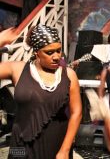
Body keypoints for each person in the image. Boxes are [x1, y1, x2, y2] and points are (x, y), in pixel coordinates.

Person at [0, 25, 82, 159]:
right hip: (20, 147)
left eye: (58, 50)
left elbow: (76, 112)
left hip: (55, 146)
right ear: (36, 52)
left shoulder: (69, 75)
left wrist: (65, 150)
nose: (56, 57)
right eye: (49, 52)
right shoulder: (17, 69)